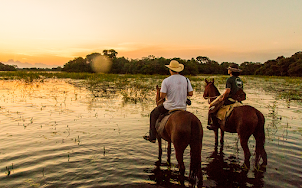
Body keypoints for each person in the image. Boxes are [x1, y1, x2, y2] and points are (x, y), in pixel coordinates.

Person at [143, 60, 193, 143]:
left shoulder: (166, 81)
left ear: (170, 70)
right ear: (178, 70)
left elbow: (162, 96)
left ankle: (152, 137)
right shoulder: (186, 80)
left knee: (153, 114)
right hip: (182, 107)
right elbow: (190, 93)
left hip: (169, 106)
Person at [207, 63, 243, 130]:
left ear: (231, 71)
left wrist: (223, 98)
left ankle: (214, 125)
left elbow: (228, 91)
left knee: (212, 109)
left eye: (229, 69)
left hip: (230, 99)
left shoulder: (229, 79)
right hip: (238, 100)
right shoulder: (240, 80)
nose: (228, 70)